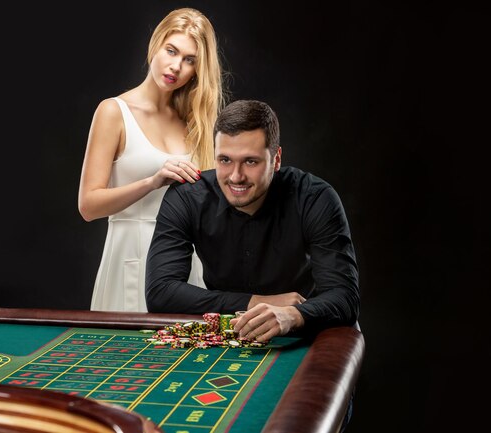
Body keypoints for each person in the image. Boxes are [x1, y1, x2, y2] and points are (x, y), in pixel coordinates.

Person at [146, 99, 360, 339]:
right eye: (225, 160)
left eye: (250, 161)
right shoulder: (186, 198)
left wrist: (292, 315)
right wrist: (255, 302)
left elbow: (345, 297)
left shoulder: (315, 197)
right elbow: (160, 293)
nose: (236, 177)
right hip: (231, 334)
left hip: (303, 332)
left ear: (276, 159)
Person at [78, 8, 225, 312]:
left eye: (190, 60)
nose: (176, 67)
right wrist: (152, 181)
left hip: (187, 263)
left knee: (188, 358)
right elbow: (88, 206)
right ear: (155, 45)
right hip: (130, 258)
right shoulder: (113, 111)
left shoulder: (195, 121)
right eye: (171, 51)